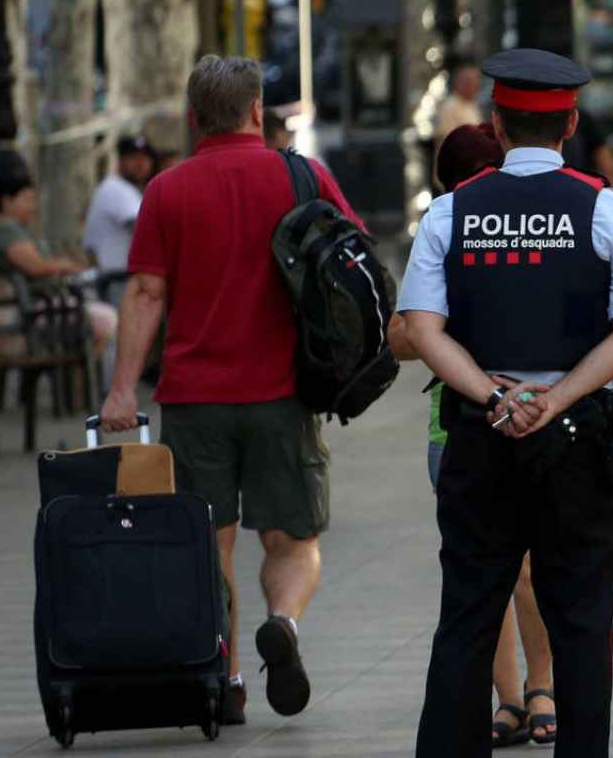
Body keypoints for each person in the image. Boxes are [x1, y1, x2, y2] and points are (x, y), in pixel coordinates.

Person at [401, 48, 613, 758]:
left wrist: (495, 393)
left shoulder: (450, 212)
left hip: (479, 432)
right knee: (581, 618)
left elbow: (422, 330)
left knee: (468, 615)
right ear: (571, 122)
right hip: (577, 439)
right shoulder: (610, 210)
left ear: (498, 122)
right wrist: (557, 400)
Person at [100, 55, 364, 726]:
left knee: (206, 542)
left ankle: (227, 680)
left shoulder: (166, 190)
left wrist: (122, 392)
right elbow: (356, 258)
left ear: (193, 119)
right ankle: (283, 624)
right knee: (293, 538)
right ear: (255, 111)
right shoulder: (302, 175)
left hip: (193, 400)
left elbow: (146, 292)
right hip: (284, 394)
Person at [405, 124, 560, 748]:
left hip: (536, 417)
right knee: (484, 573)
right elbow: (402, 333)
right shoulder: (443, 230)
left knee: (524, 569)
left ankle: (542, 684)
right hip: (457, 429)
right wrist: (446, 329)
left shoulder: (534, 232)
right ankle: (509, 697)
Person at [0, 150, 118, 351]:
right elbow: (36, 267)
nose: (33, 206)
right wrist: (67, 266)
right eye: (27, 199)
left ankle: (82, 379)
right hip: (21, 316)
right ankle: (90, 381)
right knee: (105, 320)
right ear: (6, 201)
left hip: (26, 311)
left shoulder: (4, 228)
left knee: (99, 318)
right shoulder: (2, 228)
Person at [82, 135, 155, 283]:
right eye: (133, 157)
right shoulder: (117, 188)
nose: (140, 163)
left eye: (145, 158)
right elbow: (146, 231)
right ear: (121, 161)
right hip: (114, 280)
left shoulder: (121, 187)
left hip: (113, 278)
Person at [432, 55, 485, 156]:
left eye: (477, 80)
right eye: (470, 82)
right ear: (460, 82)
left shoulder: (472, 104)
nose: (476, 85)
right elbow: (446, 145)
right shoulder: (449, 107)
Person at [562, 111, 613, 183]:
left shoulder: (585, 120)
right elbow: (606, 165)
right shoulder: (583, 119)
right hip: (584, 184)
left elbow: (605, 163)